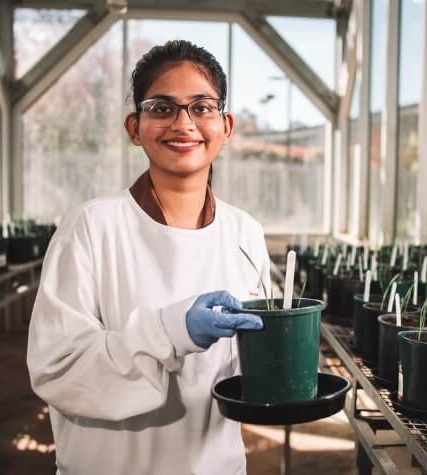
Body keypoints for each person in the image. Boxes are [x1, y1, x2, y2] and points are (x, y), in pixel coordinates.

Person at [27, 40, 271, 475]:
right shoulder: (90, 228)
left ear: (226, 125)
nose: (183, 123)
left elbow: (250, 371)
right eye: (161, 108)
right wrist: (170, 331)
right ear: (134, 127)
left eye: (201, 107)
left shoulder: (245, 234)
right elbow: (56, 369)